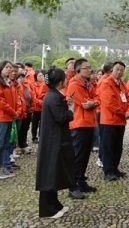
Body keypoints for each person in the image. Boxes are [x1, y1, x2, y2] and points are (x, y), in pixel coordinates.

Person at [35, 67, 76, 219]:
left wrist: (66, 104)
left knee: (55, 172)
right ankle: (47, 209)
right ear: (59, 82)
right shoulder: (52, 97)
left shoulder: (54, 95)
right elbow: (61, 117)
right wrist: (71, 110)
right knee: (50, 172)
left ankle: (54, 203)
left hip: (56, 137)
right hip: (53, 139)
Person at [66, 58, 99, 198]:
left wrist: (93, 103)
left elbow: (97, 99)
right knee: (77, 155)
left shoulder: (88, 84)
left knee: (85, 155)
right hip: (79, 123)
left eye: (89, 67)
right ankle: (72, 186)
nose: (89, 70)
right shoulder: (74, 84)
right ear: (78, 70)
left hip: (89, 122)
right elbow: (84, 103)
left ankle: (81, 181)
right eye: (86, 68)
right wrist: (93, 103)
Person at [98, 61, 129, 181]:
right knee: (108, 147)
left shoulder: (122, 84)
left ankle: (114, 168)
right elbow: (109, 103)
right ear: (112, 69)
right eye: (117, 69)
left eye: (121, 70)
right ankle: (108, 171)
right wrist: (123, 112)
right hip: (109, 120)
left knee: (118, 147)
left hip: (120, 121)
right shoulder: (106, 83)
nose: (119, 72)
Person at [0, 61, 18, 180]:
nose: (9, 69)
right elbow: (1, 102)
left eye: (10, 67)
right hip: (2, 117)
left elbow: (15, 100)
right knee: (1, 143)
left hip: (9, 117)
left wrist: (15, 112)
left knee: (6, 143)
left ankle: (4, 166)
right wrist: (13, 112)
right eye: (7, 67)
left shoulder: (9, 83)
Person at [30, 70, 47, 143]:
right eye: (39, 76)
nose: (41, 77)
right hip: (36, 108)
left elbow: (47, 94)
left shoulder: (46, 84)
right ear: (36, 77)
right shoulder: (33, 85)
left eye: (42, 75)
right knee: (34, 123)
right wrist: (40, 101)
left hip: (43, 107)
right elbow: (33, 97)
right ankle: (34, 137)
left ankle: (41, 136)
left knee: (42, 123)